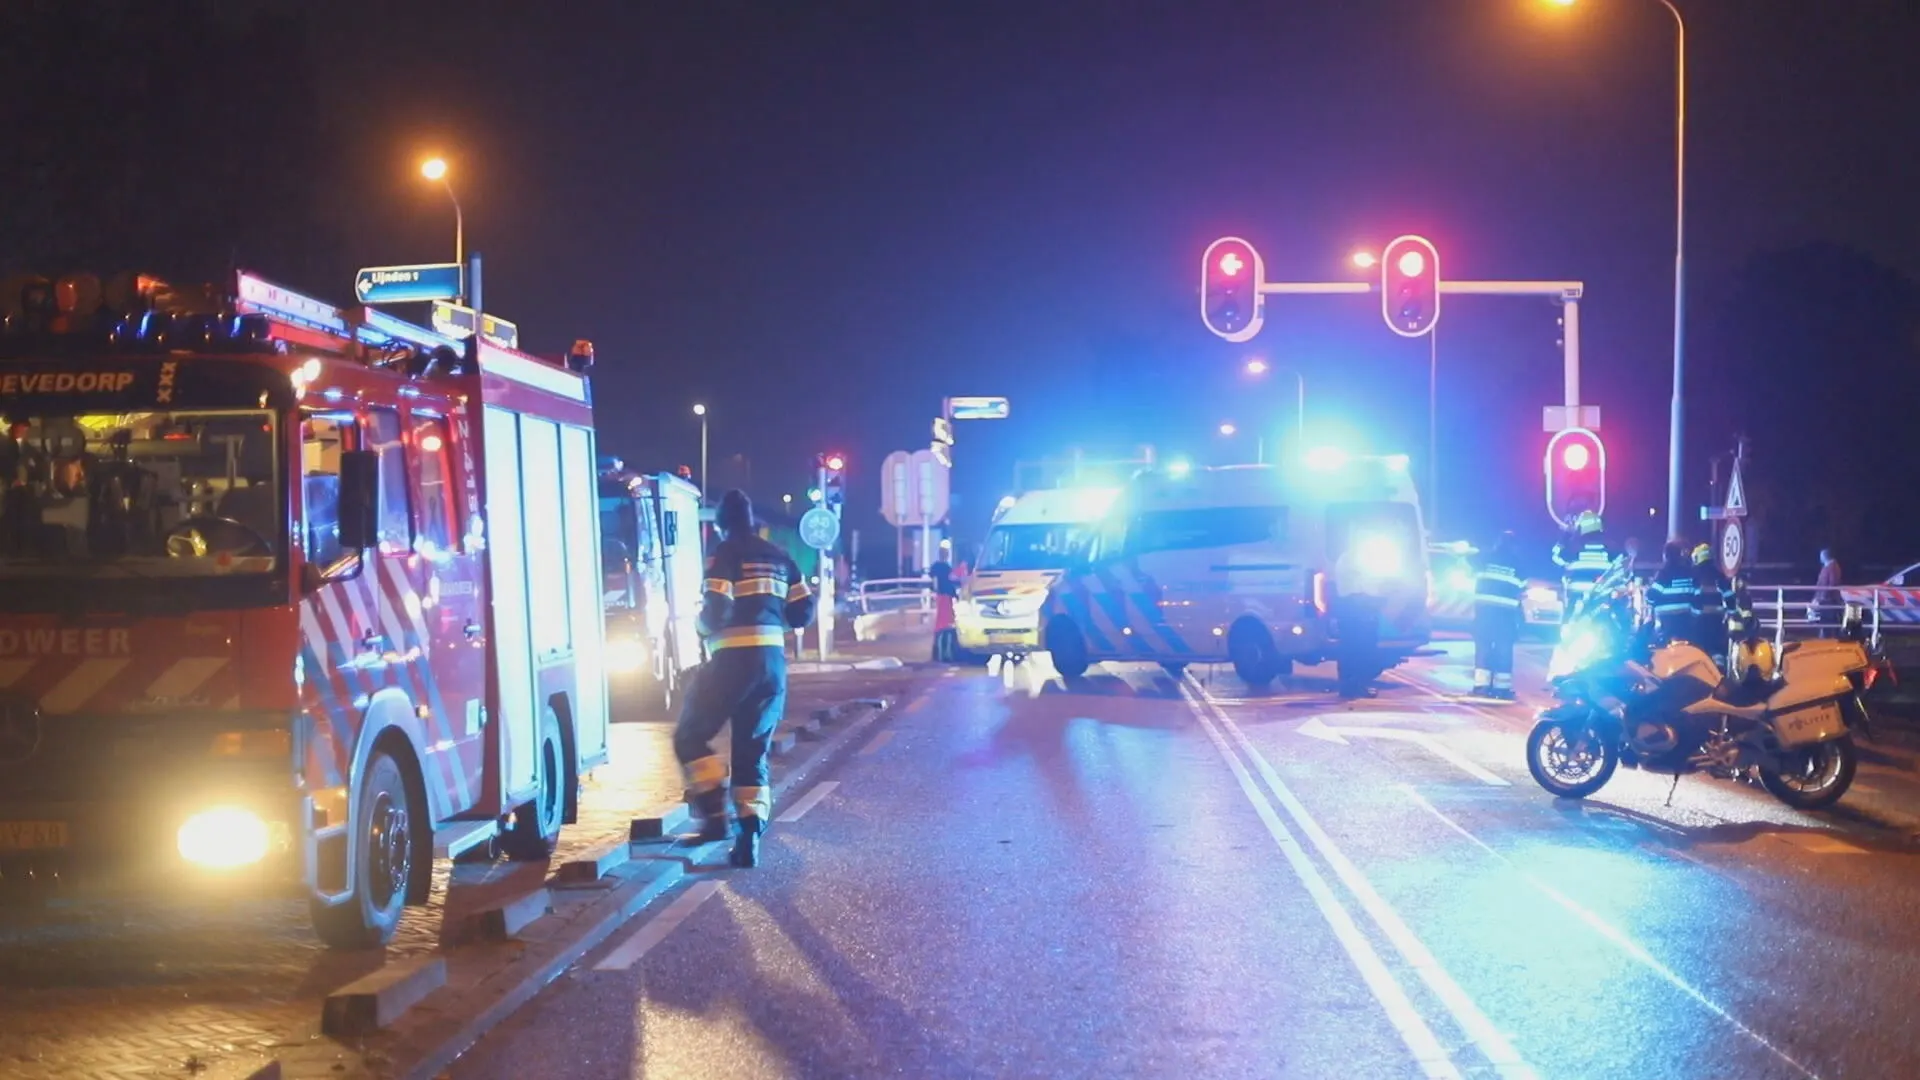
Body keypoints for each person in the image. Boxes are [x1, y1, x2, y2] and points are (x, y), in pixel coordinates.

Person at [673, 490, 815, 868]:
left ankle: (714, 817)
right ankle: (748, 836)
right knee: (752, 752)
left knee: (689, 735)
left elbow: (716, 608)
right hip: (771, 666)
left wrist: (701, 628)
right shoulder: (780, 557)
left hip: (731, 662)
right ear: (753, 521)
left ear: (721, 524)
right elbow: (804, 612)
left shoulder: (725, 553)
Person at [1471, 532, 1524, 700]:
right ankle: (1502, 689)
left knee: (1483, 648)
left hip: (1484, 612)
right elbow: (1521, 589)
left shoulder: (1484, 559)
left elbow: (1470, 563)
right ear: (1515, 546)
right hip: (1505, 615)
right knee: (1504, 650)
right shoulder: (1518, 565)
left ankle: (1481, 687)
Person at [1332, 542, 1387, 700]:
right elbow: (1362, 587)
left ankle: (1351, 686)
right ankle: (1354, 686)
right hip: (1355, 608)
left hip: (1351, 607)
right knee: (1358, 649)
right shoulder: (1352, 559)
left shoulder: (1347, 558)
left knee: (1351, 649)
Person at [1553, 511, 1613, 618]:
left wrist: (1565, 536)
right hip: (1598, 608)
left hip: (1580, 606)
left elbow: (1555, 557)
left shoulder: (1573, 552)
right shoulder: (1610, 552)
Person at [1647, 540, 1700, 644]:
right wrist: (1694, 618)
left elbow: (1650, 597)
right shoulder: (1689, 574)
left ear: (1666, 556)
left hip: (1666, 624)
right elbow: (1697, 599)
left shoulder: (1663, 574)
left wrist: (1655, 605)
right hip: (1686, 623)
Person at [1690, 543, 1729, 661]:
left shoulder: (1694, 575)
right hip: (1717, 620)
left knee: (1699, 651)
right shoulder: (1720, 576)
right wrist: (1731, 614)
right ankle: (1720, 672)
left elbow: (1692, 597)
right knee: (1717, 651)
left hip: (1699, 621)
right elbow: (1729, 597)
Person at [929, 556, 960, 661]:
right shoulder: (946, 568)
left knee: (941, 626)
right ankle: (946, 653)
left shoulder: (936, 568)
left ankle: (939, 652)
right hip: (946, 597)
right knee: (947, 626)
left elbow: (934, 583)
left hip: (942, 597)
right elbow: (952, 581)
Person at [1812, 548, 1843, 634]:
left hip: (1828, 600)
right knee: (1825, 620)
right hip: (1825, 598)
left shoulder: (1832, 567)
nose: (1820, 558)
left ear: (1825, 556)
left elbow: (1832, 583)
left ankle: (1828, 636)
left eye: (1821, 556)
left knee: (1828, 620)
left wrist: (1822, 597)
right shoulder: (1828, 566)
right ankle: (1825, 634)